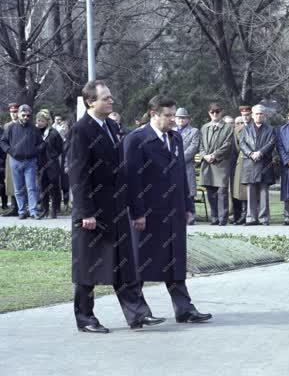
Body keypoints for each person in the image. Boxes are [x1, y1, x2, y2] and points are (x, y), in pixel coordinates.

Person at [68, 80, 165, 333]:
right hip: (93, 212)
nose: (111, 101)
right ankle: (85, 318)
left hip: (117, 208)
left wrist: (133, 207)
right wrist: (85, 213)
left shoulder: (112, 125)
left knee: (125, 265)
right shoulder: (81, 130)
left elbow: (123, 171)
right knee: (88, 268)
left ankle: (138, 314)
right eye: (106, 98)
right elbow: (78, 175)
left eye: (111, 97)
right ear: (91, 101)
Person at [124, 95, 212, 323]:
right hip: (148, 212)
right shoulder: (136, 139)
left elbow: (181, 174)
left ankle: (184, 308)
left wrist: (187, 204)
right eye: (168, 115)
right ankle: (138, 312)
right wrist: (137, 212)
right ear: (153, 114)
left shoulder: (175, 138)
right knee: (141, 262)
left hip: (173, 210)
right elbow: (132, 179)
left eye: (175, 115)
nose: (173, 120)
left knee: (175, 260)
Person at [0, 105, 43, 219]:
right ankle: (22, 211)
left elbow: (42, 143)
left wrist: (35, 151)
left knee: (31, 188)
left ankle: (33, 211)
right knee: (18, 188)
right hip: (15, 161)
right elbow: (3, 142)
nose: (26, 117)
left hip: (30, 162)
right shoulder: (11, 128)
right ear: (18, 114)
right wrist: (10, 151)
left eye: (28, 115)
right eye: (23, 115)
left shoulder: (34, 128)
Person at [240, 105, 276, 226]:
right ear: (252, 115)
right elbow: (242, 143)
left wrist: (260, 152)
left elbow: (271, 142)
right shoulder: (246, 129)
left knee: (263, 191)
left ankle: (263, 218)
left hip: (264, 163)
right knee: (250, 192)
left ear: (264, 115)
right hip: (250, 163)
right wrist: (251, 153)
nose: (258, 116)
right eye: (256, 114)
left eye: (261, 114)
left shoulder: (270, 129)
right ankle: (251, 218)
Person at [198, 103, 233, 226]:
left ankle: (223, 218)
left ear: (221, 112)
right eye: (212, 112)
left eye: (217, 111)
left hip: (221, 164)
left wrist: (214, 155)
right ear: (209, 113)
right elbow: (200, 145)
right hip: (207, 164)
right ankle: (214, 217)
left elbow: (228, 144)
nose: (214, 114)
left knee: (222, 191)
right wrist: (205, 155)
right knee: (210, 192)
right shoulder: (204, 127)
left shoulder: (228, 128)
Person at [34, 110, 64, 219]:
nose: (39, 123)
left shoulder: (54, 133)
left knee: (54, 186)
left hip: (52, 164)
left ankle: (55, 209)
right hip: (40, 164)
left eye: (42, 121)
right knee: (42, 187)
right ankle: (44, 209)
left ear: (47, 122)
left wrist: (53, 156)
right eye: (38, 120)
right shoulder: (36, 132)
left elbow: (60, 148)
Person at [175, 107, 200, 225]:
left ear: (188, 119)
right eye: (179, 118)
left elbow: (193, 148)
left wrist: (178, 159)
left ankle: (191, 216)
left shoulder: (194, 131)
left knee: (189, 192)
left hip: (186, 165)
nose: (181, 120)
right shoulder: (171, 131)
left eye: (183, 118)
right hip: (172, 166)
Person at [2, 103, 20, 216]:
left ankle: (22, 206)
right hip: (10, 155)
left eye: (15, 112)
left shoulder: (23, 124)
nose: (13, 114)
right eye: (12, 112)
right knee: (11, 181)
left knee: (22, 181)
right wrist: (8, 150)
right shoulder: (7, 126)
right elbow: (3, 141)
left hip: (22, 156)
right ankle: (14, 206)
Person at [230, 114, 248, 224]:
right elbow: (236, 148)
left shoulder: (249, 130)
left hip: (248, 162)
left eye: (242, 123)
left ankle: (245, 214)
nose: (240, 125)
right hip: (237, 163)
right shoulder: (236, 132)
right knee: (237, 192)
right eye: (238, 123)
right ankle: (237, 215)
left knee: (245, 191)